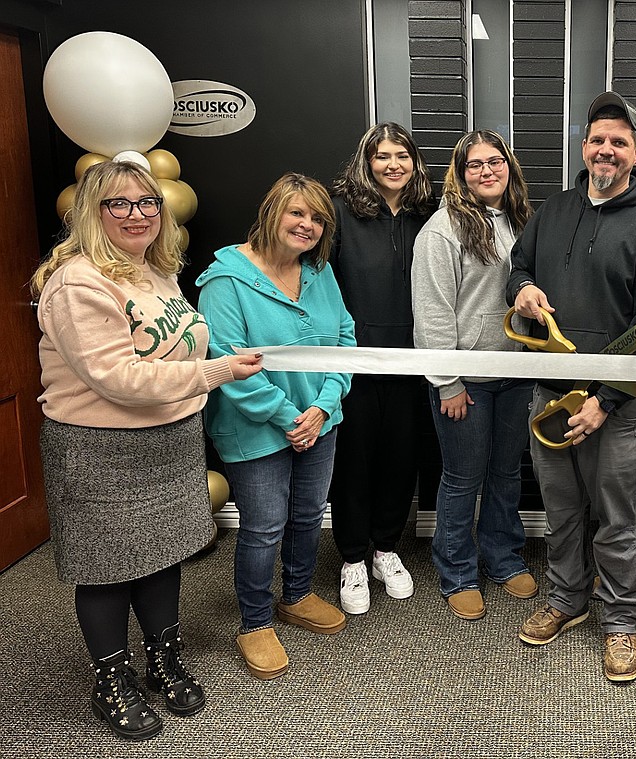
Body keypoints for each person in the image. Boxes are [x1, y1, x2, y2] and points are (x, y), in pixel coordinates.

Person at [32, 160, 263, 740]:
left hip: (170, 442)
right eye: (120, 204)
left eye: (148, 203)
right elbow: (118, 377)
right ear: (92, 213)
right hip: (99, 449)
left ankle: (162, 660)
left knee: (163, 557)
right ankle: (110, 679)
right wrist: (215, 373)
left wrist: (206, 371)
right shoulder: (78, 282)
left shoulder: (153, 272)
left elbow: (173, 350)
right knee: (107, 570)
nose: (138, 215)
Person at [507, 92, 636, 682]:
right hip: (550, 396)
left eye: (619, 142)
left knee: (617, 516)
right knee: (561, 511)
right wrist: (523, 289)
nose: (605, 150)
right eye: (597, 139)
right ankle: (566, 599)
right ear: (584, 147)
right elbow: (519, 267)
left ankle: (621, 621)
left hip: (618, 406)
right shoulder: (552, 211)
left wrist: (606, 401)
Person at [197, 173, 356, 680]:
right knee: (264, 528)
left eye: (317, 218)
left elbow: (346, 338)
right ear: (272, 214)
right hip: (256, 427)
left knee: (308, 515)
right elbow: (225, 362)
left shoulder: (320, 272)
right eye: (297, 213)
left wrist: (324, 407)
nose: (307, 225)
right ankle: (255, 622)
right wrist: (291, 417)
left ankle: (298, 594)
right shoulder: (226, 280)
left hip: (319, 421)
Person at [411, 130, 537, 621]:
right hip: (466, 381)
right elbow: (433, 312)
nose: (486, 171)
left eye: (495, 161)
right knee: (463, 478)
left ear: (510, 166)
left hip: (517, 373)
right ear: (461, 174)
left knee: (507, 473)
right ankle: (458, 570)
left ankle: (503, 558)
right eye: (474, 164)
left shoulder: (525, 221)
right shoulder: (443, 230)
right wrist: (448, 382)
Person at [327, 123, 437, 612]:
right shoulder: (339, 214)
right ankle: (352, 557)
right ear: (365, 163)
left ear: (415, 163)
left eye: (402, 156)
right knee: (353, 460)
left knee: (400, 457)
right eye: (381, 156)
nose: (393, 165)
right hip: (353, 361)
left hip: (412, 362)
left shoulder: (428, 216)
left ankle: (386, 550)